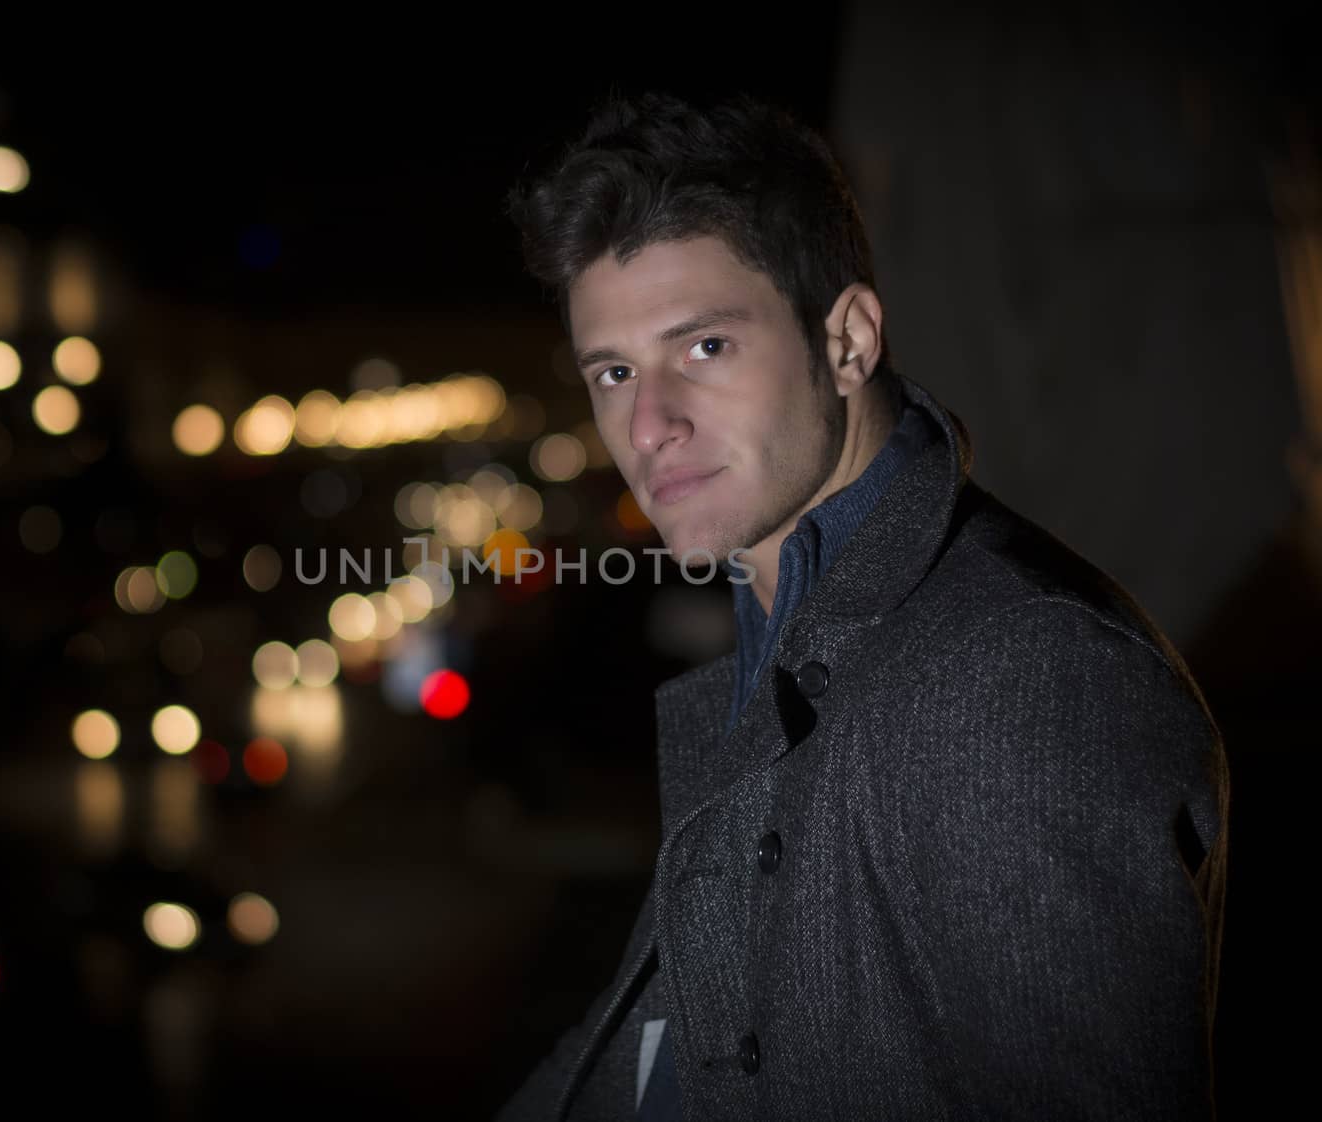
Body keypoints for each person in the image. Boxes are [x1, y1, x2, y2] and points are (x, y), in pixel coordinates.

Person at [495, 91, 1229, 1121]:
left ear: (846, 340)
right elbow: (659, 1047)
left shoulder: (1018, 672)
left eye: (703, 348)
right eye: (613, 371)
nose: (648, 422)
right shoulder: (781, 637)